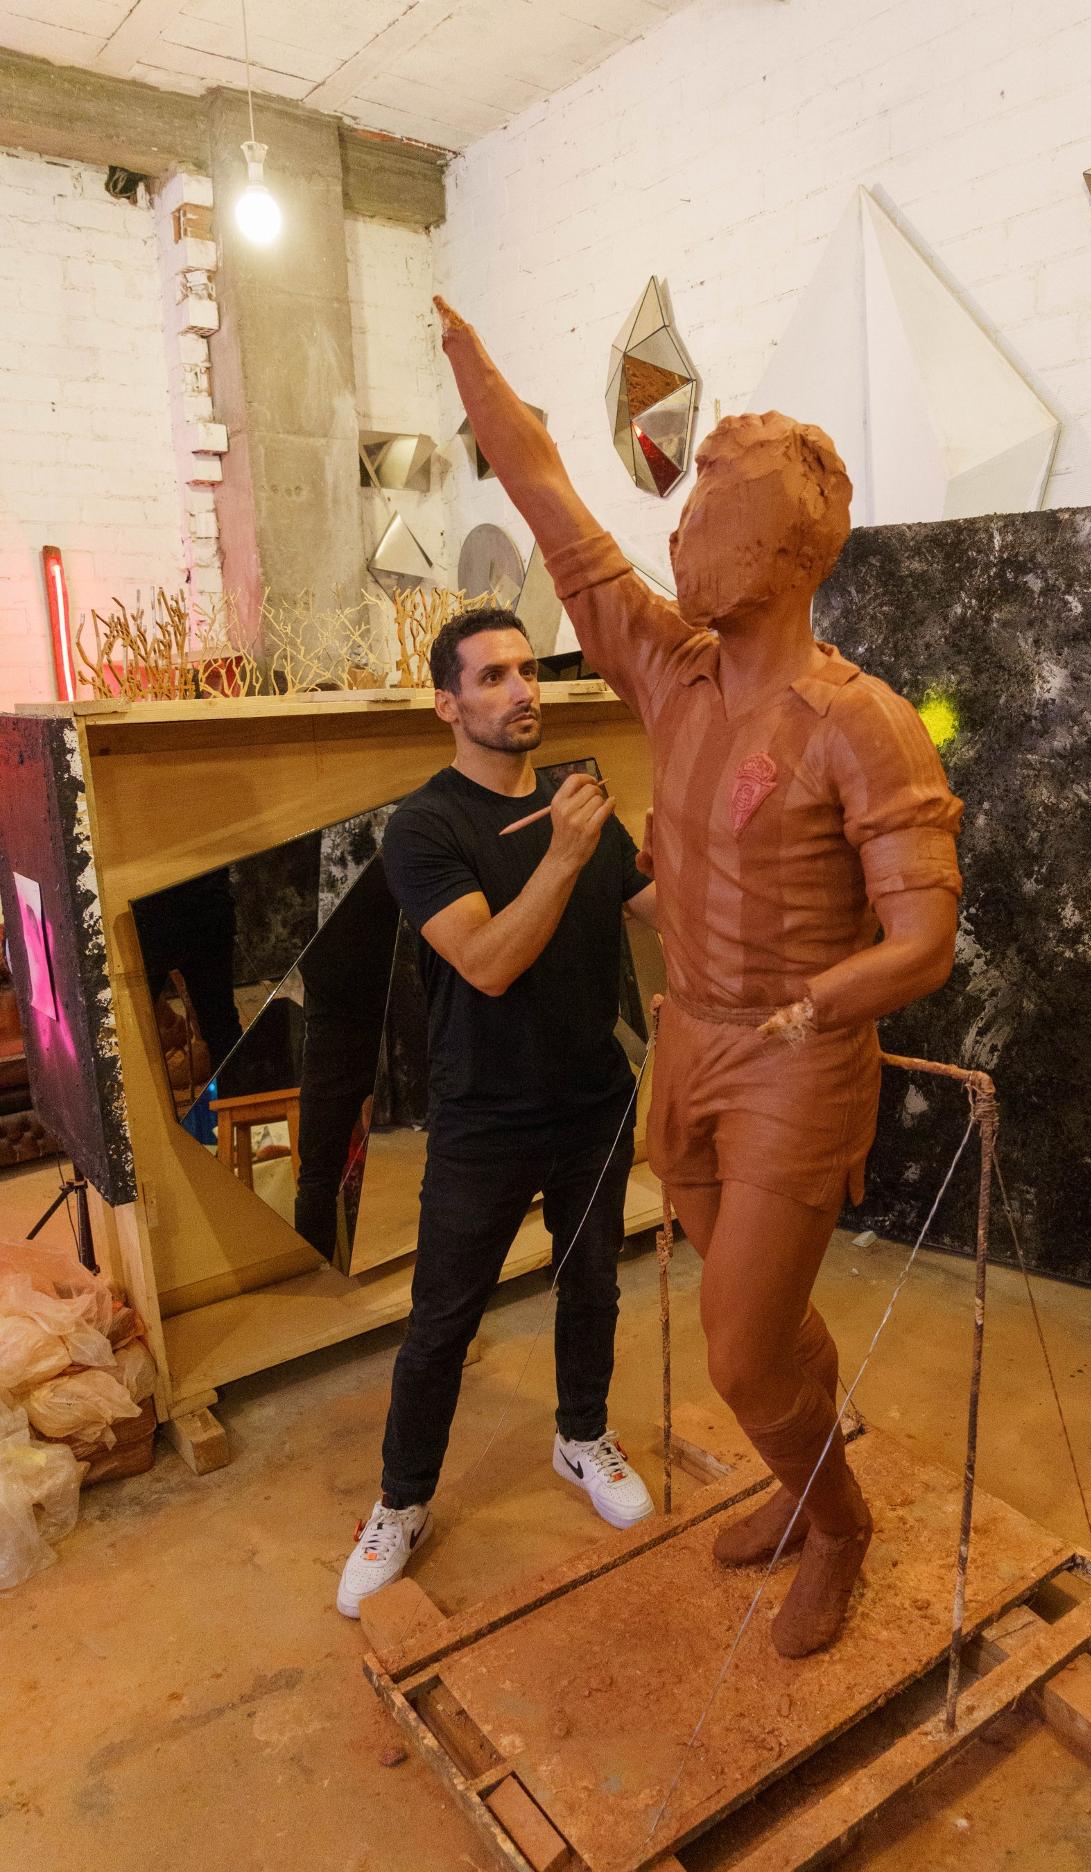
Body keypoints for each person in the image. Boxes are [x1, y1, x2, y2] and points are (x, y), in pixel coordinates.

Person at [433, 298, 963, 1657]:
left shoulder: (864, 725)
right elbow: (557, 510)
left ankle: (836, 1523)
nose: (679, 538)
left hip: (794, 1062)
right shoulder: (672, 674)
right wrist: (485, 391)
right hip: (693, 1047)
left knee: (736, 1350)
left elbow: (924, 938)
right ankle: (808, 1482)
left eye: (710, 518)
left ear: (787, 552)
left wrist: (824, 1003)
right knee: (761, 1330)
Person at [337, 607, 659, 1618]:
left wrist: (715, 830)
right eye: (493, 677)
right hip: (484, 1117)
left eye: (528, 672)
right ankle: (402, 1501)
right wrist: (566, 853)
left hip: (593, 1100)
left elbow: (657, 906)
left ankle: (580, 1435)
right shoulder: (426, 829)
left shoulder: (581, 805)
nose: (522, 691)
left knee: (593, 1284)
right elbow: (485, 961)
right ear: (448, 704)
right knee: (441, 1324)